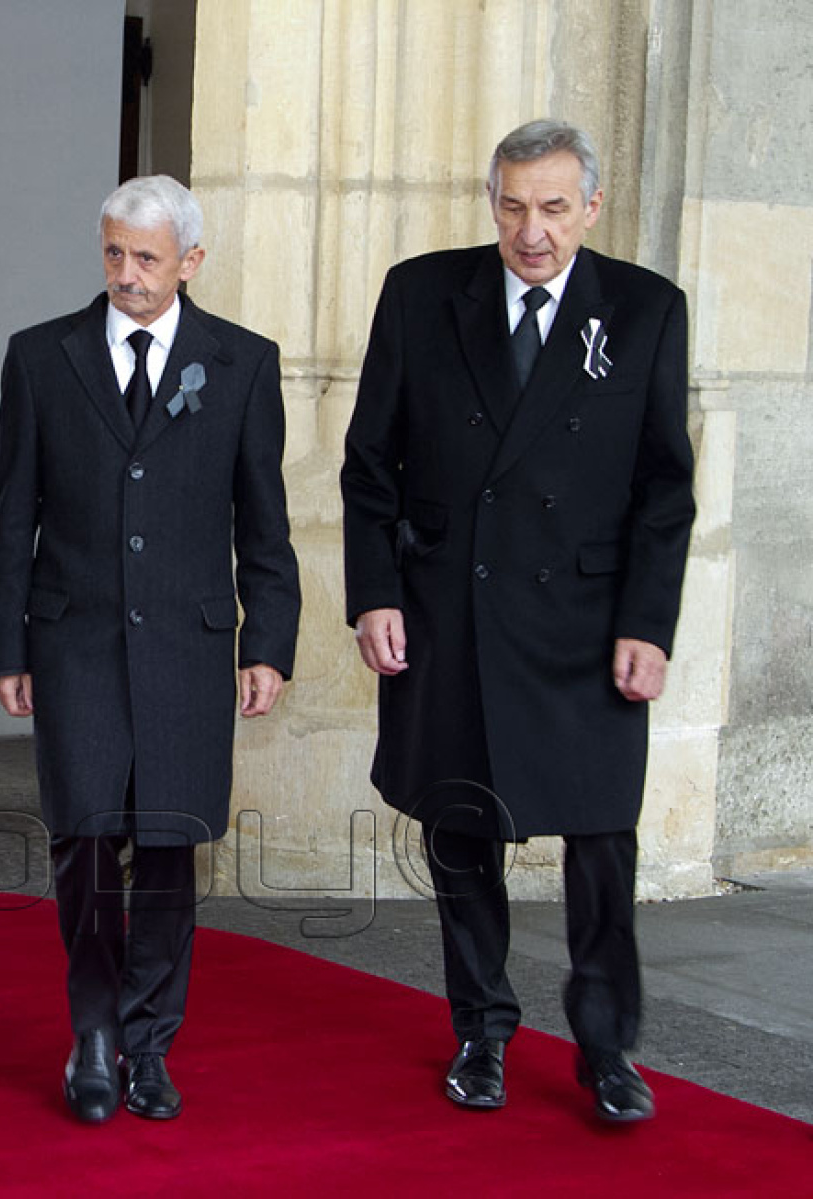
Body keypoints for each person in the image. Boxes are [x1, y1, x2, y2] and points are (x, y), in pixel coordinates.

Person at [341, 119, 695, 1123]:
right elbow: (369, 466)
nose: (530, 232)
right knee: (462, 827)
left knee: (602, 839)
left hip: (589, 623)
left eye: (552, 208)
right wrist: (376, 592)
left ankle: (607, 1048)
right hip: (452, 608)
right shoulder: (421, 294)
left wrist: (648, 622)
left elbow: (665, 488)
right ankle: (482, 1030)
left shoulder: (645, 309)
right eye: (511, 207)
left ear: (591, 206)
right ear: (490, 202)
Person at [0, 175, 301, 1123]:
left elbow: (265, 522)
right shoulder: (40, 357)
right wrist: (4, 646)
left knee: (166, 850)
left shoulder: (243, 362)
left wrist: (268, 642)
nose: (127, 273)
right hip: (72, 638)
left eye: (148, 257)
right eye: (115, 253)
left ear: (190, 262)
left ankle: (150, 1043)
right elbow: (11, 516)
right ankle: (94, 1033)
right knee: (82, 837)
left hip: (188, 648)